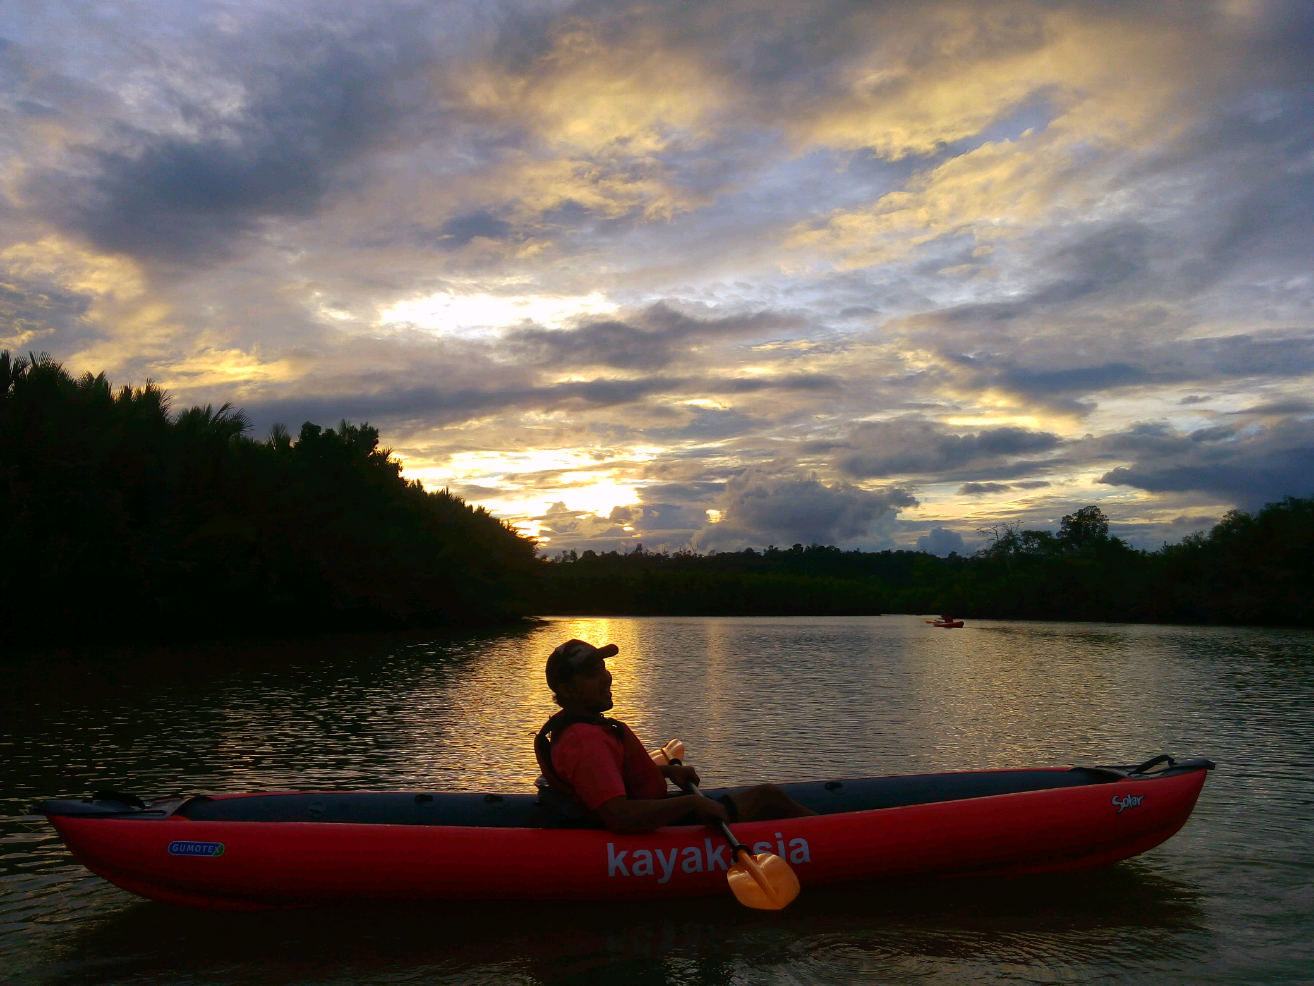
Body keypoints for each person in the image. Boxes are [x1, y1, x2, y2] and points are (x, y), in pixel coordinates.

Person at [534, 638, 818, 833]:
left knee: (766, 796)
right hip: (643, 833)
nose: (606, 678)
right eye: (592, 674)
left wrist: (668, 771)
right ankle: (835, 836)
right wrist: (692, 802)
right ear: (568, 689)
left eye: (604, 669)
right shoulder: (585, 740)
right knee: (767, 797)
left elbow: (614, 779)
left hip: (646, 815)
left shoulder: (578, 729)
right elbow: (618, 816)